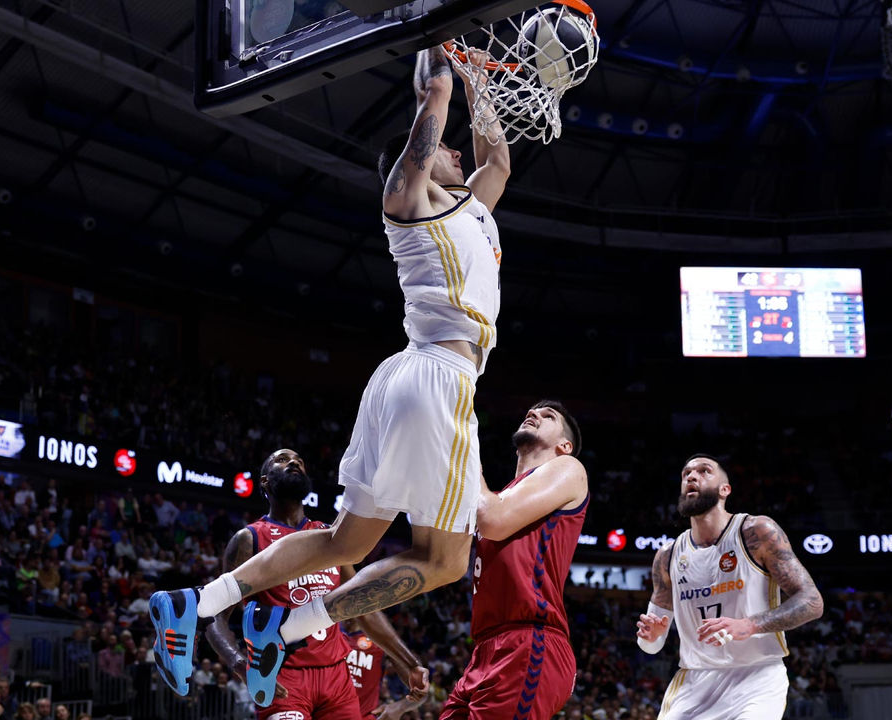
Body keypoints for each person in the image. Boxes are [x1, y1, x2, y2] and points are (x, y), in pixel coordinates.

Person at [150, 42, 512, 707]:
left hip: (402, 380)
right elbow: (430, 97)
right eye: (447, 150)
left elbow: (498, 158)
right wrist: (442, 35)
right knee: (448, 561)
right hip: (439, 379)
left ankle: (197, 604)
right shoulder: (408, 197)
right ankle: (287, 629)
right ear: (424, 159)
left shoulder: (474, 209)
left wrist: (479, 77)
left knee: (347, 540)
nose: (461, 153)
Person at [203, 449, 428, 717]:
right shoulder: (249, 539)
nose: (295, 462)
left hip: (336, 677)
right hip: (281, 673)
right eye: (282, 460)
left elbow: (363, 603)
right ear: (265, 482)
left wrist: (409, 662)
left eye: (299, 460)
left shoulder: (329, 537)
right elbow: (214, 615)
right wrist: (241, 664)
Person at [634, 454, 825, 720]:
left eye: (704, 471)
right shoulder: (668, 555)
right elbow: (649, 646)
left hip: (757, 677)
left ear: (725, 490)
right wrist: (651, 636)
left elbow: (812, 602)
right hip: (695, 681)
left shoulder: (757, 531)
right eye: (686, 474)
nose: (691, 476)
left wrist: (749, 625)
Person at [440, 400, 588, 720]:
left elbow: (494, 521)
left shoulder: (568, 468)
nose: (533, 414)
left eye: (548, 416)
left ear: (565, 445)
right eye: (531, 411)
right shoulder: (500, 496)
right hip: (485, 648)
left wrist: (468, 461)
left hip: (530, 639)